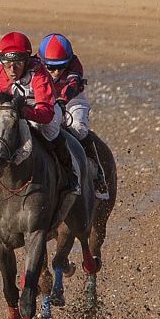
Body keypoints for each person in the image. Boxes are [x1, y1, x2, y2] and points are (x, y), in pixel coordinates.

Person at [0, 31, 79, 196]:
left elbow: (46, 114)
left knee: (50, 131)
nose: (11, 70)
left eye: (17, 63)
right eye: (7, 63)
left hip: (39, 110)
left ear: (26, 60)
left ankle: (69, 174)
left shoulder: (38, 73)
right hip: (8, 109)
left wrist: (21, 112)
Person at [38, 33, 107, 197]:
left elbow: (73, 83)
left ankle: (98, 175)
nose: (56, 72)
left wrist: (63, 99)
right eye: (51, 67)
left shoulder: (75, 64)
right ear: (41, 61)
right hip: (44, 98)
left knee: (79, 129)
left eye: (61, 67)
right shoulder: (34, 64)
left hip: (73, 99)